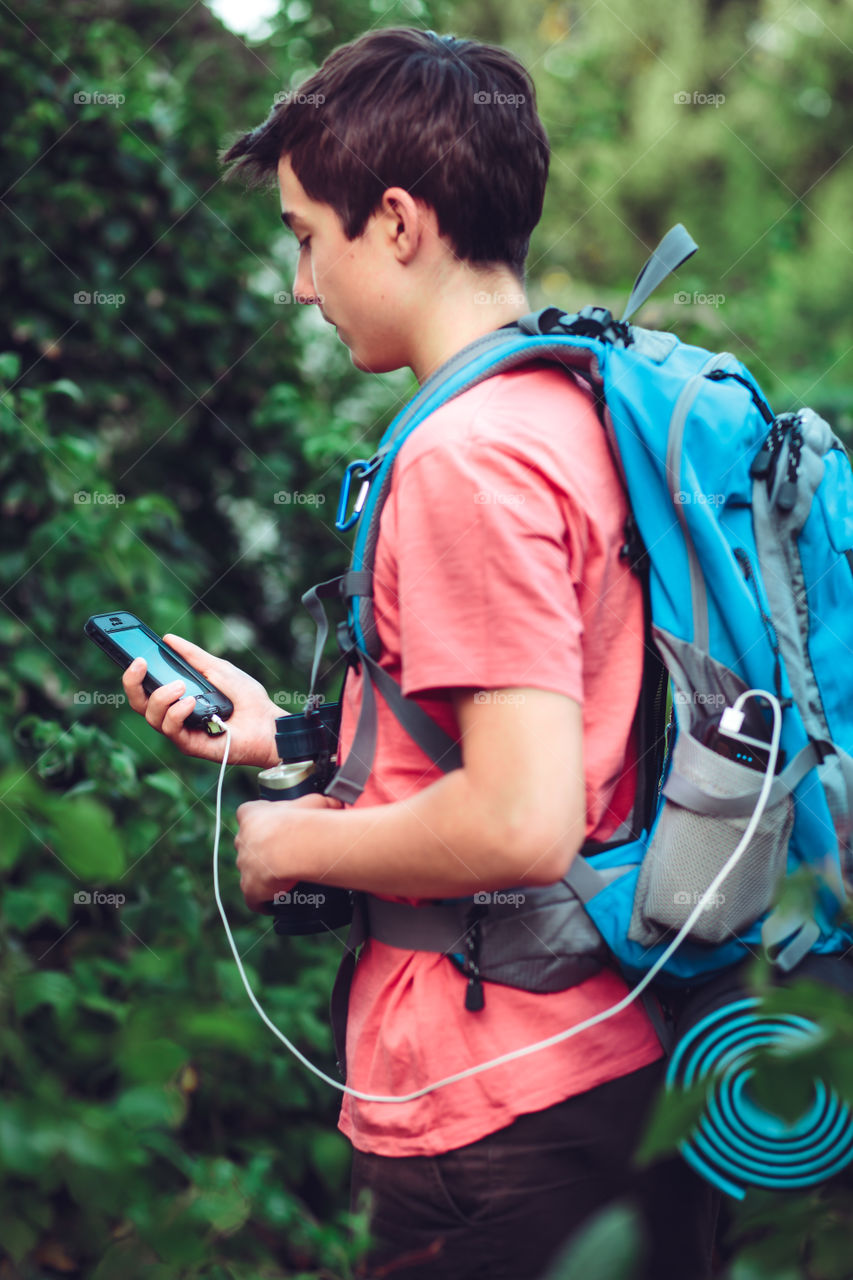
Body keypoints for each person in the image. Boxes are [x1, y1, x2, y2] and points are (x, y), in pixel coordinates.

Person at [122, 27, 719, 1280]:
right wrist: (288, 739)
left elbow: (520, 817)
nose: (298, 282)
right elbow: (547, 720)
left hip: (502, 1108)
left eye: (303, 235)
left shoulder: (465, 459)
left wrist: (292, 837)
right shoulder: (566, 405)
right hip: (599, 1068)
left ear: (395, 221)